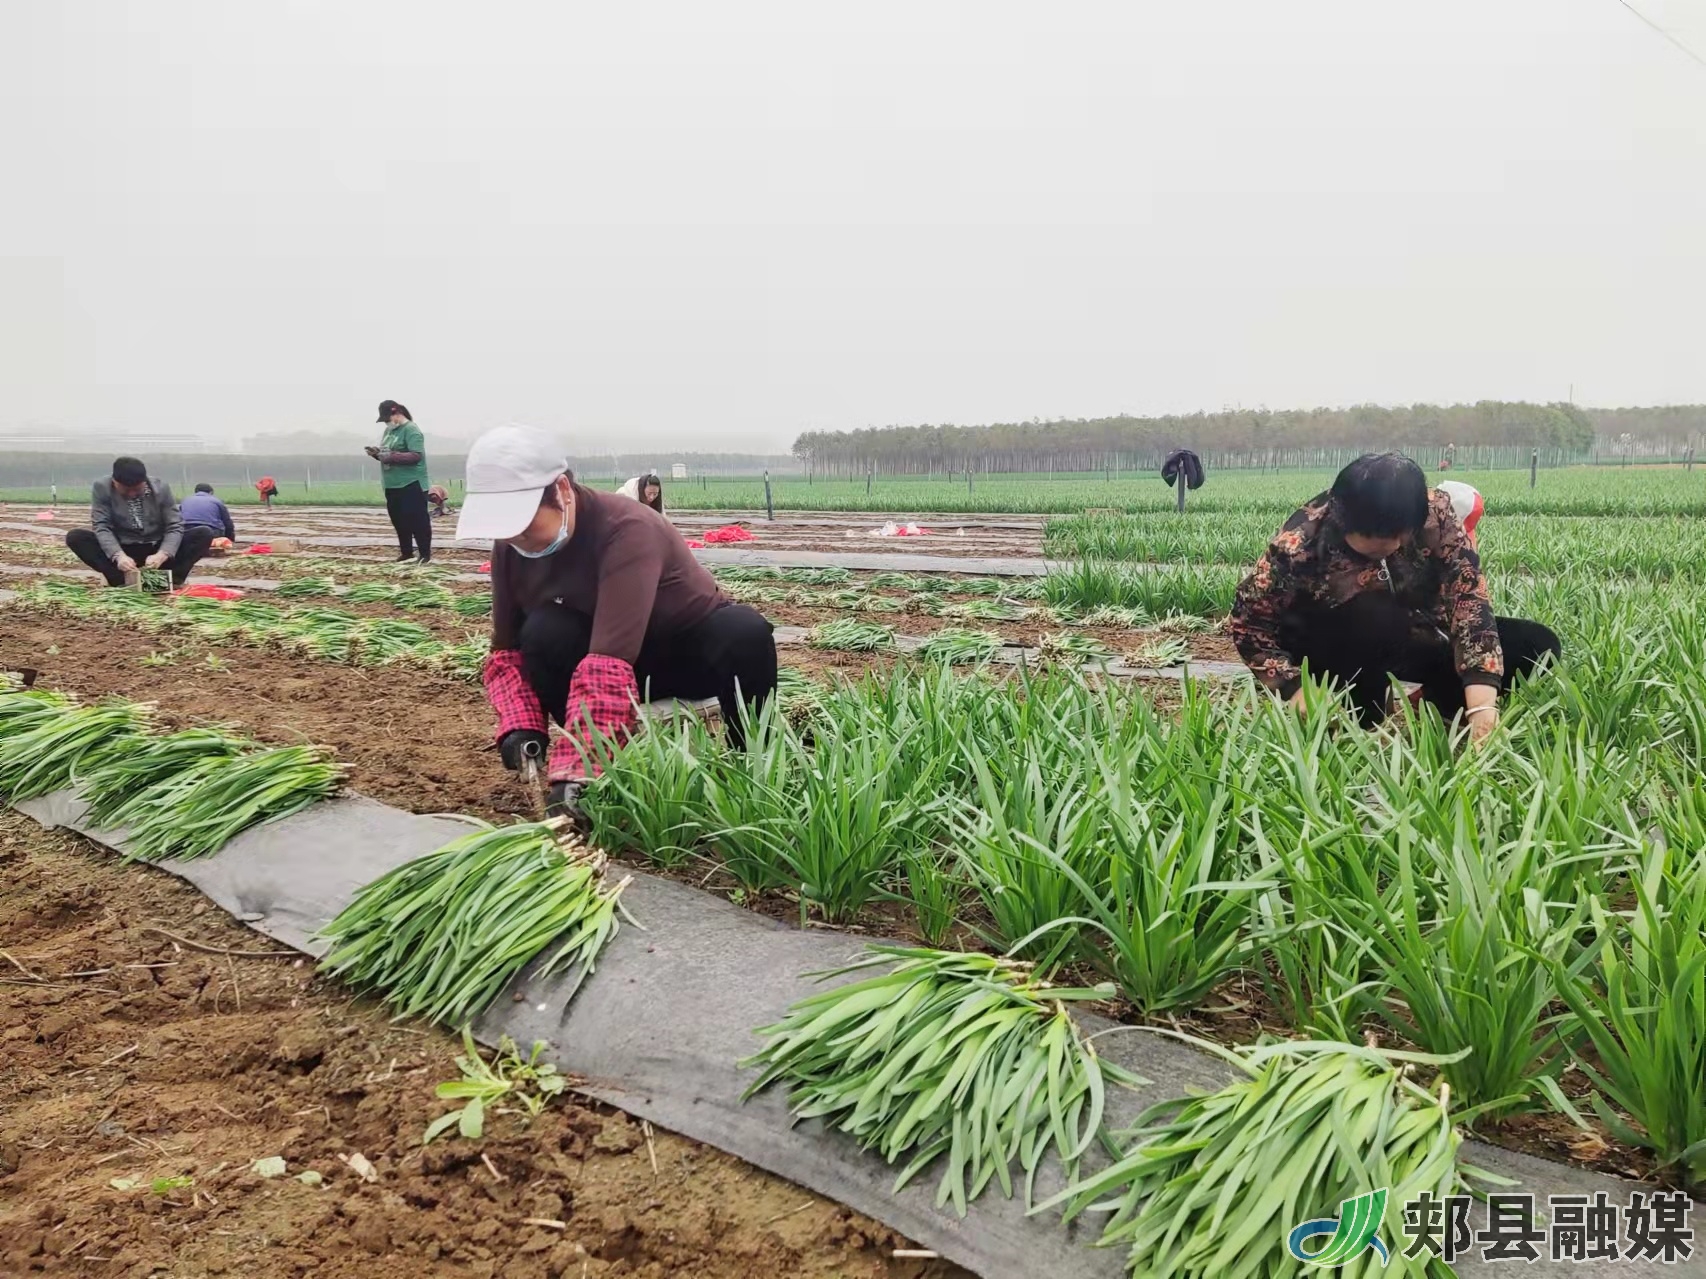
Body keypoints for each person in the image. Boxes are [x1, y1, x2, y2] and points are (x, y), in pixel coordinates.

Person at [457, 425, 777, 817]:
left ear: (562, 490)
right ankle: (592, 759)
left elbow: (609, 663)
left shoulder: (626, 529)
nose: (519, 540)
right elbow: (507, 653)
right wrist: (521, 722)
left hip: (684, 653)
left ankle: (753, 758)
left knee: (745, 631)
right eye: (507, 533)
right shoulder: (511, 550)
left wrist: (580, 767)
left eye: (526, 526)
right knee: (543, 630)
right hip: (607, 660)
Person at [1229, 453, 1558, 741]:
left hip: (1419, 633)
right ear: (1342, 522)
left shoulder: (1437, 514)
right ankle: (1363, 715)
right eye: (1379, 542)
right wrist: (1295, 688)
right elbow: (1249, 624)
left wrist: (1483, 705)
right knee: (1375, 616)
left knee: (1537, 646)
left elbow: (1468, 601)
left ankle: (1436, 705)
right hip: (1339, 647)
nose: (1396, 547)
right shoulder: (1299, 545)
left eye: (1404, 536)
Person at [65, 457, 215, 588]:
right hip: (124, 547)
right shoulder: (102, 488)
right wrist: (118, 556)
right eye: (125, 490)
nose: (131, 494)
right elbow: (102, 526)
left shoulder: (161, 488)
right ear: (114, 482)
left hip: (155, 547)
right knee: (76, 537)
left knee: (203, 534)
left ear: (144, 482)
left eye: (136, 489)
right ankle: (120, 581)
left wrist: (163, 554)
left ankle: (170, 579)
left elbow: (174, 525)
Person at [368, 399, 432, 563]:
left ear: (396, 414)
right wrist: (377, 454)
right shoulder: (389, 432)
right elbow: (387, 453)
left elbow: (416, 455)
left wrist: (391, 456)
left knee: (417, 521)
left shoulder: (411, 430)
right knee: (399, 520)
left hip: (411, 483)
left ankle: (424, 554)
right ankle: (406, 552)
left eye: (388, 419)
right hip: (392, 484)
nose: (387, 423)